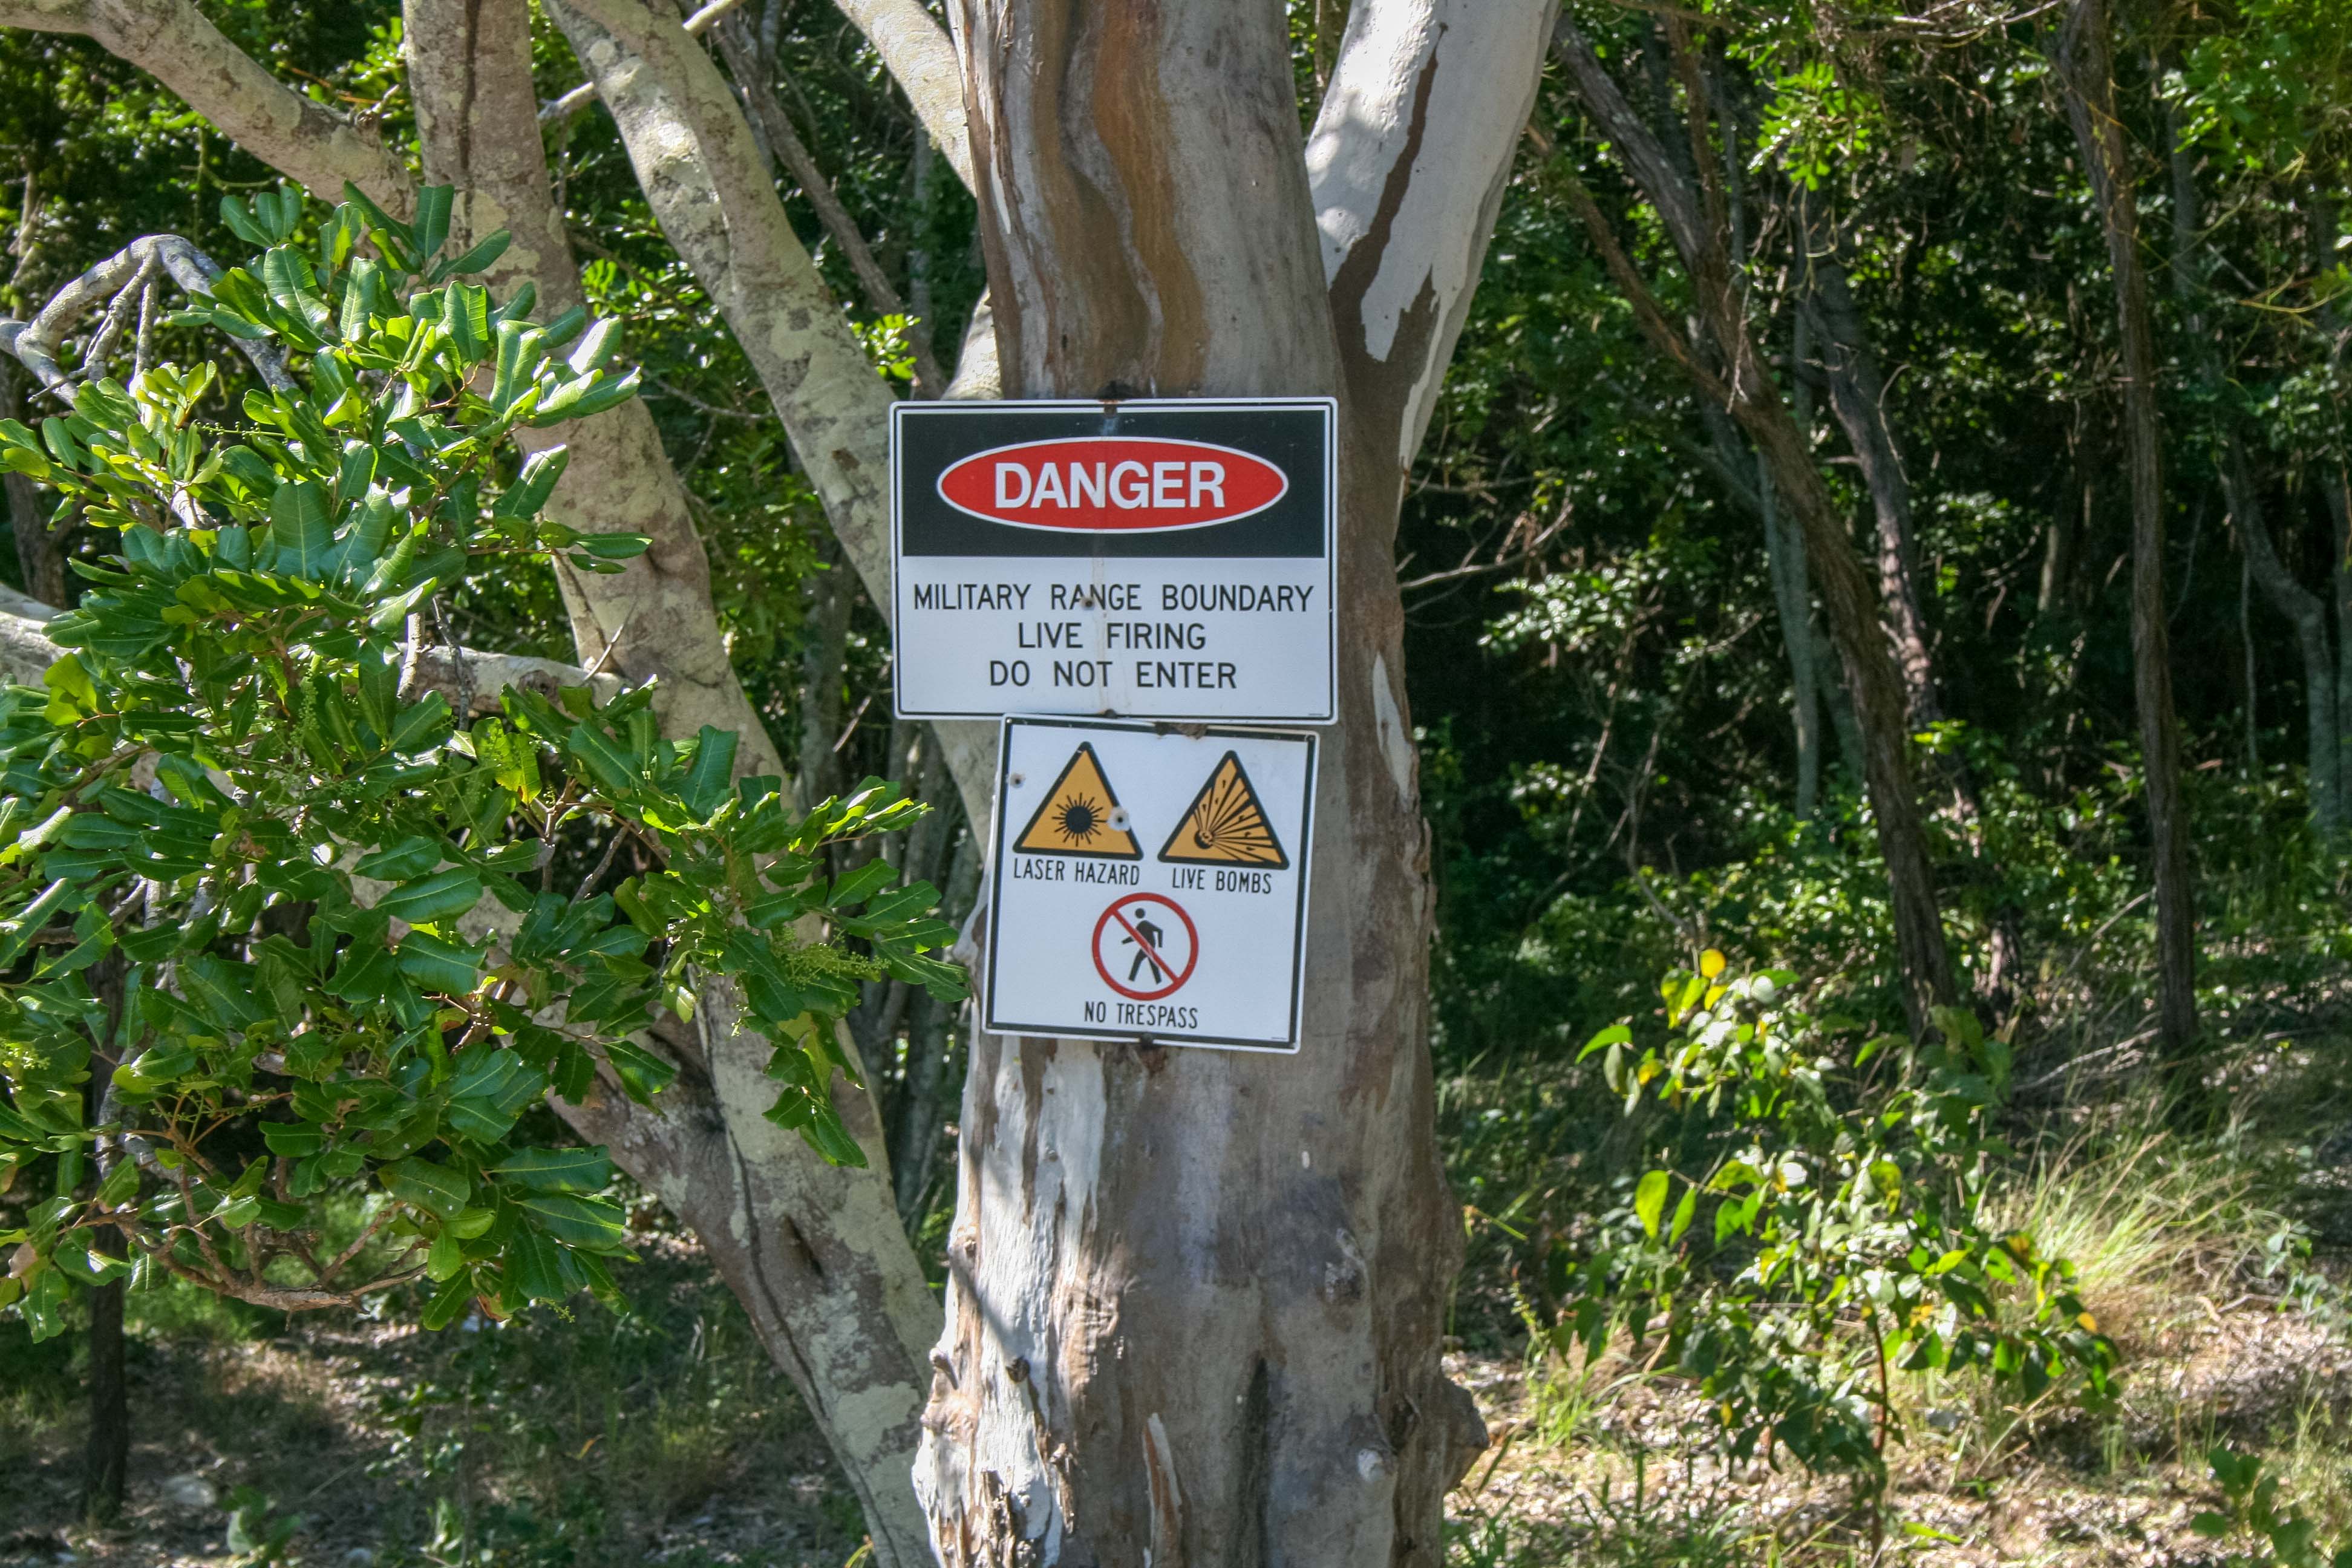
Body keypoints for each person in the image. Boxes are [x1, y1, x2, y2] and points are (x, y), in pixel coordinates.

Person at [1122, 908, 1166, 985]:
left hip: (1149, 948)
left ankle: (1131, 980)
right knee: (1153, 964)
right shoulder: (1141, 925)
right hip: (1148, 947)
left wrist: (1160, 945)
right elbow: (1135, 937)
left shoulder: (1145, 924)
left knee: (1138, 961)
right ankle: (1159, 982)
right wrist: (1123, 942)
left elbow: (1160, 931)